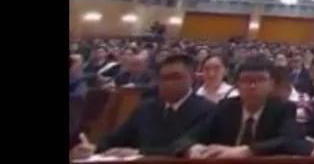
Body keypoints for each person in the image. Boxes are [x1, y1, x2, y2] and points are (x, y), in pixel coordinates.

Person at [71, 55, 215, 160]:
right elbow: (118, 137)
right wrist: (94, 147)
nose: (167, 83)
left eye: (175, 77)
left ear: (192, 79)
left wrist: (140, 153)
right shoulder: (147, 108)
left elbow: (181, 148)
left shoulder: (206, 110)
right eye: (163, 78)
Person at [177, 56, 303, 158]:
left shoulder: (283, 108)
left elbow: (290, 140)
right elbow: (189, 136)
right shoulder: (225, 107)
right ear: (237, 85)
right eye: (246, 80)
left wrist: (248, 150)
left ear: (271, 84)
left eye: (260, 79)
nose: (252, 86)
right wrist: (192, 148)